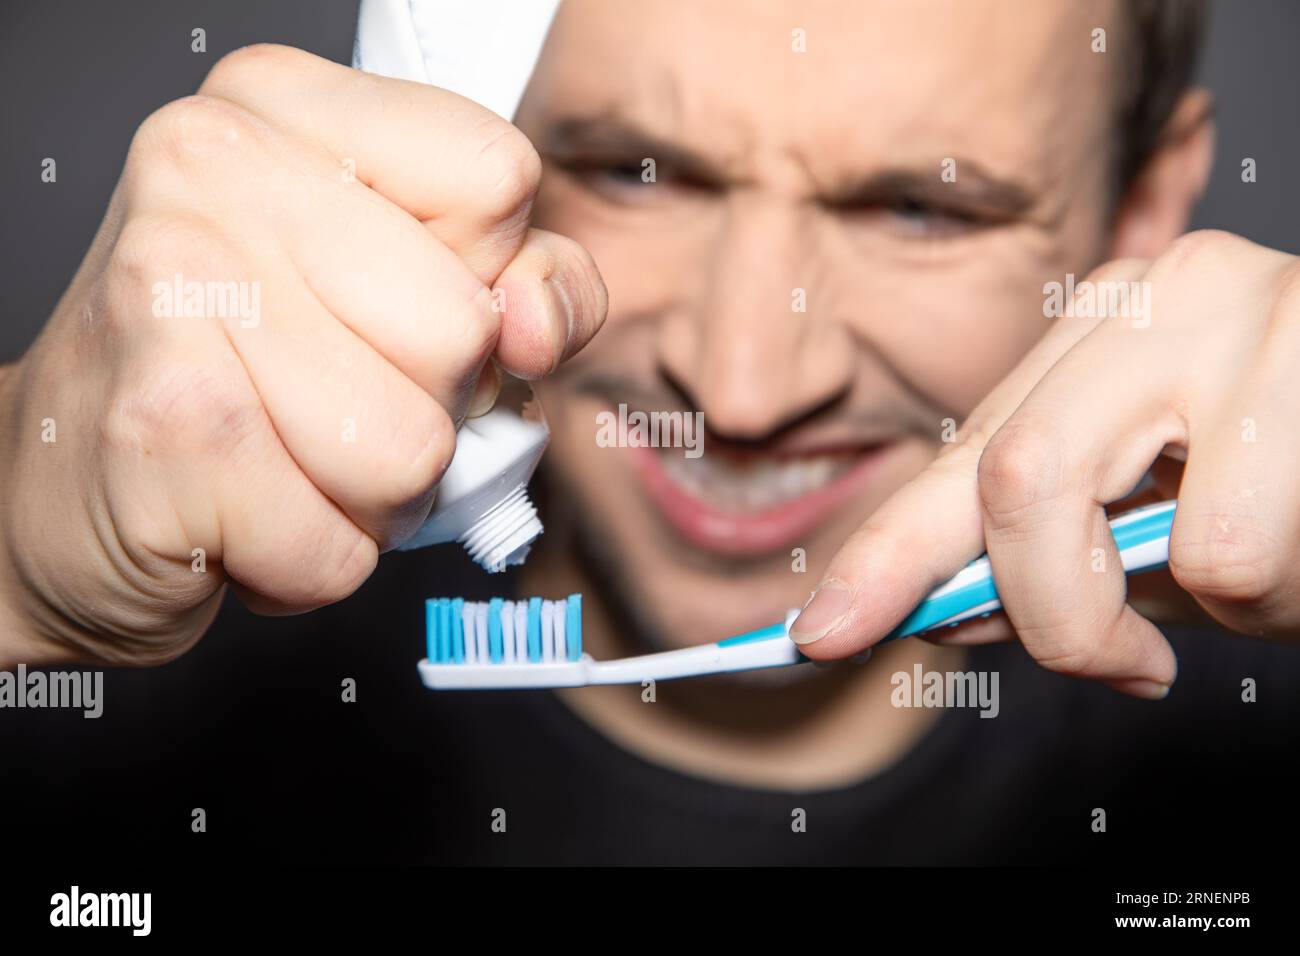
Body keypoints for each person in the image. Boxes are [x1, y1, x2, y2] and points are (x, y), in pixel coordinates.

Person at [2, 0, 1298, 864]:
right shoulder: (137, 709)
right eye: (641, 171)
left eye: (919, 208)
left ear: (1144, 211)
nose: (741, 387)